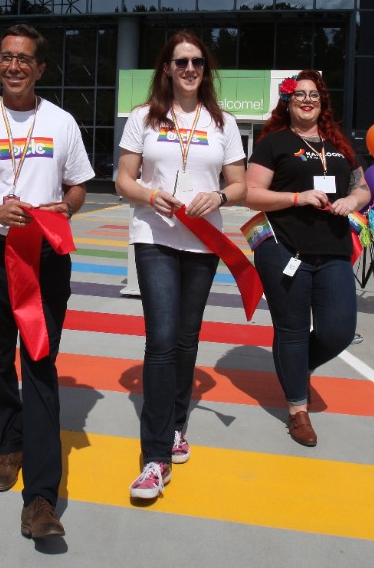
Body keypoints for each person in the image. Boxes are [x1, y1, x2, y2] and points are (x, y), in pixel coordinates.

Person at [0, 23, 94, 539]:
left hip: (45, 257)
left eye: (25, 59)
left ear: (40, 68)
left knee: (41, 364)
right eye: (6, 57)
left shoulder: (62, 122)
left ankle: (42, 501)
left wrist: (63, 208)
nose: (14, 66)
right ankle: (11, 443)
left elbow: (77, 189)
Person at [115, 31, 247, 501]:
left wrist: (221, 195)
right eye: (180, 62)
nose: (189, 68)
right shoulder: (143, 119)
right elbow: (122, 179)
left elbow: (240, 185)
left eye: (196, 61)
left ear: (204, 69)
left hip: (203, 242)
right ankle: (154, 458)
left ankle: (176, 423)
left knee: (187, 338)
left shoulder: (222, 122)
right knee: (162, 338)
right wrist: (151, 195)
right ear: (166, 69)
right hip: (154, 236)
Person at [245, 70, 369, 447]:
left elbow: (362, 186)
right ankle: (298, 410)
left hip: (333, 251)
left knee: (339, 330)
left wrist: (353, 200)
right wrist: (296, 198)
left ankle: (297, 367)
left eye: (313, 94)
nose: (307, 100)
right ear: (289, 100)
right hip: (285, 249)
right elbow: (251, 194)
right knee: (292, 330)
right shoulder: (274, 143)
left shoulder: (339, 144)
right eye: (299, 94)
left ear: (322, 101)